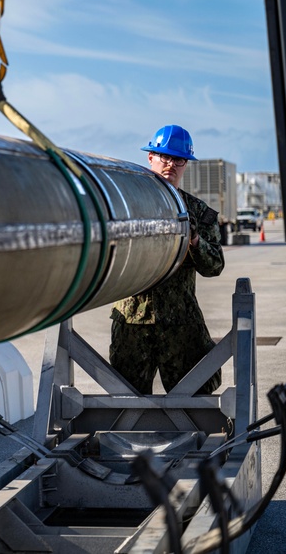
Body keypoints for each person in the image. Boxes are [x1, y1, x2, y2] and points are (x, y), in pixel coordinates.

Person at [109, 125, 224, 395]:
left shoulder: (198, 212)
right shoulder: (126, 203)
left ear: (186, 164)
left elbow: (215, 266)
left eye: (178, 159)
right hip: (132, 322)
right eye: (164, 156)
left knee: (195, 400)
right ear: (151, 157)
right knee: (125, 402)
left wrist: (194, 241)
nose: (170, 164)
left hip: (180, 324)